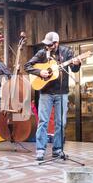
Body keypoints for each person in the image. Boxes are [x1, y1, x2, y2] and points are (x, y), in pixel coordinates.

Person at [24, 32, 81, 161]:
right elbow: (27, 66)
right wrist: (40, 72)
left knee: (61, 122)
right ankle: (40, 150)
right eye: (46, 44)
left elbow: (74, 69)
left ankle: (58, 149)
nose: (48, 46)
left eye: (50, 44)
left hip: (62, 92)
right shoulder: (42, 53)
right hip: (46, 92)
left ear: (56, 43)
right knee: (43, 121)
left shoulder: (66, 52)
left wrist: (76, 64)